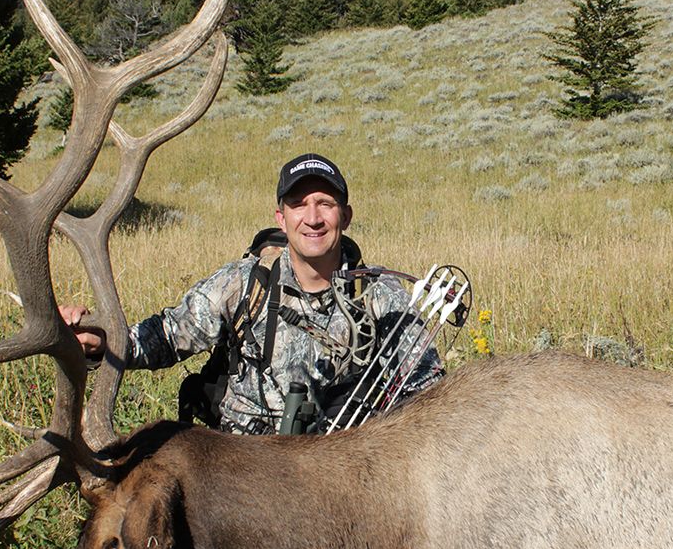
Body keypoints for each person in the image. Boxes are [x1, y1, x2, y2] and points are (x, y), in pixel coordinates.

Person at [62, 153, 444, 434]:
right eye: (298, 204)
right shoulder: (245, 283)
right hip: (244, 470)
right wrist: (100, 341)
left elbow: (429, 394)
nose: (312, 218)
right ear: (281, 217)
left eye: (325, 204)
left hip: (342, 472)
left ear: (345, 216)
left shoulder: (382, 297)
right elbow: (166, 337)